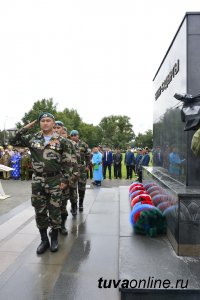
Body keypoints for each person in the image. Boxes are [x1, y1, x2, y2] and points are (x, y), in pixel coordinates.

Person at [11, 112, 77, 254]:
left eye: (48, 120)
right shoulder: (32, 138)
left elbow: (68, 163)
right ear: (39, 123)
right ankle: (43, 240)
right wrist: (26, 127)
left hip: (55, 180)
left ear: (54, 123)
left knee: (55, 210)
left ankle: (54, 238)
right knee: (39, 210)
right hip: (38, 180)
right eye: (43, 121)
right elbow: (13, 140)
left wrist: (65, 181)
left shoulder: (63, 141)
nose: (45, 123)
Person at [70, 130, 90, 212]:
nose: (74, 137)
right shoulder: (67, 143)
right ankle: (73, 205)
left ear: (78, 135)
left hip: (81, 168)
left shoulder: (83, 144)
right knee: (72, 188)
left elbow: (88, 156)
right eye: (72, 135)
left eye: (75, 135)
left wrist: (88, 165)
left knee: (82, 188)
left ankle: (81, 204)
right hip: (71, 168)